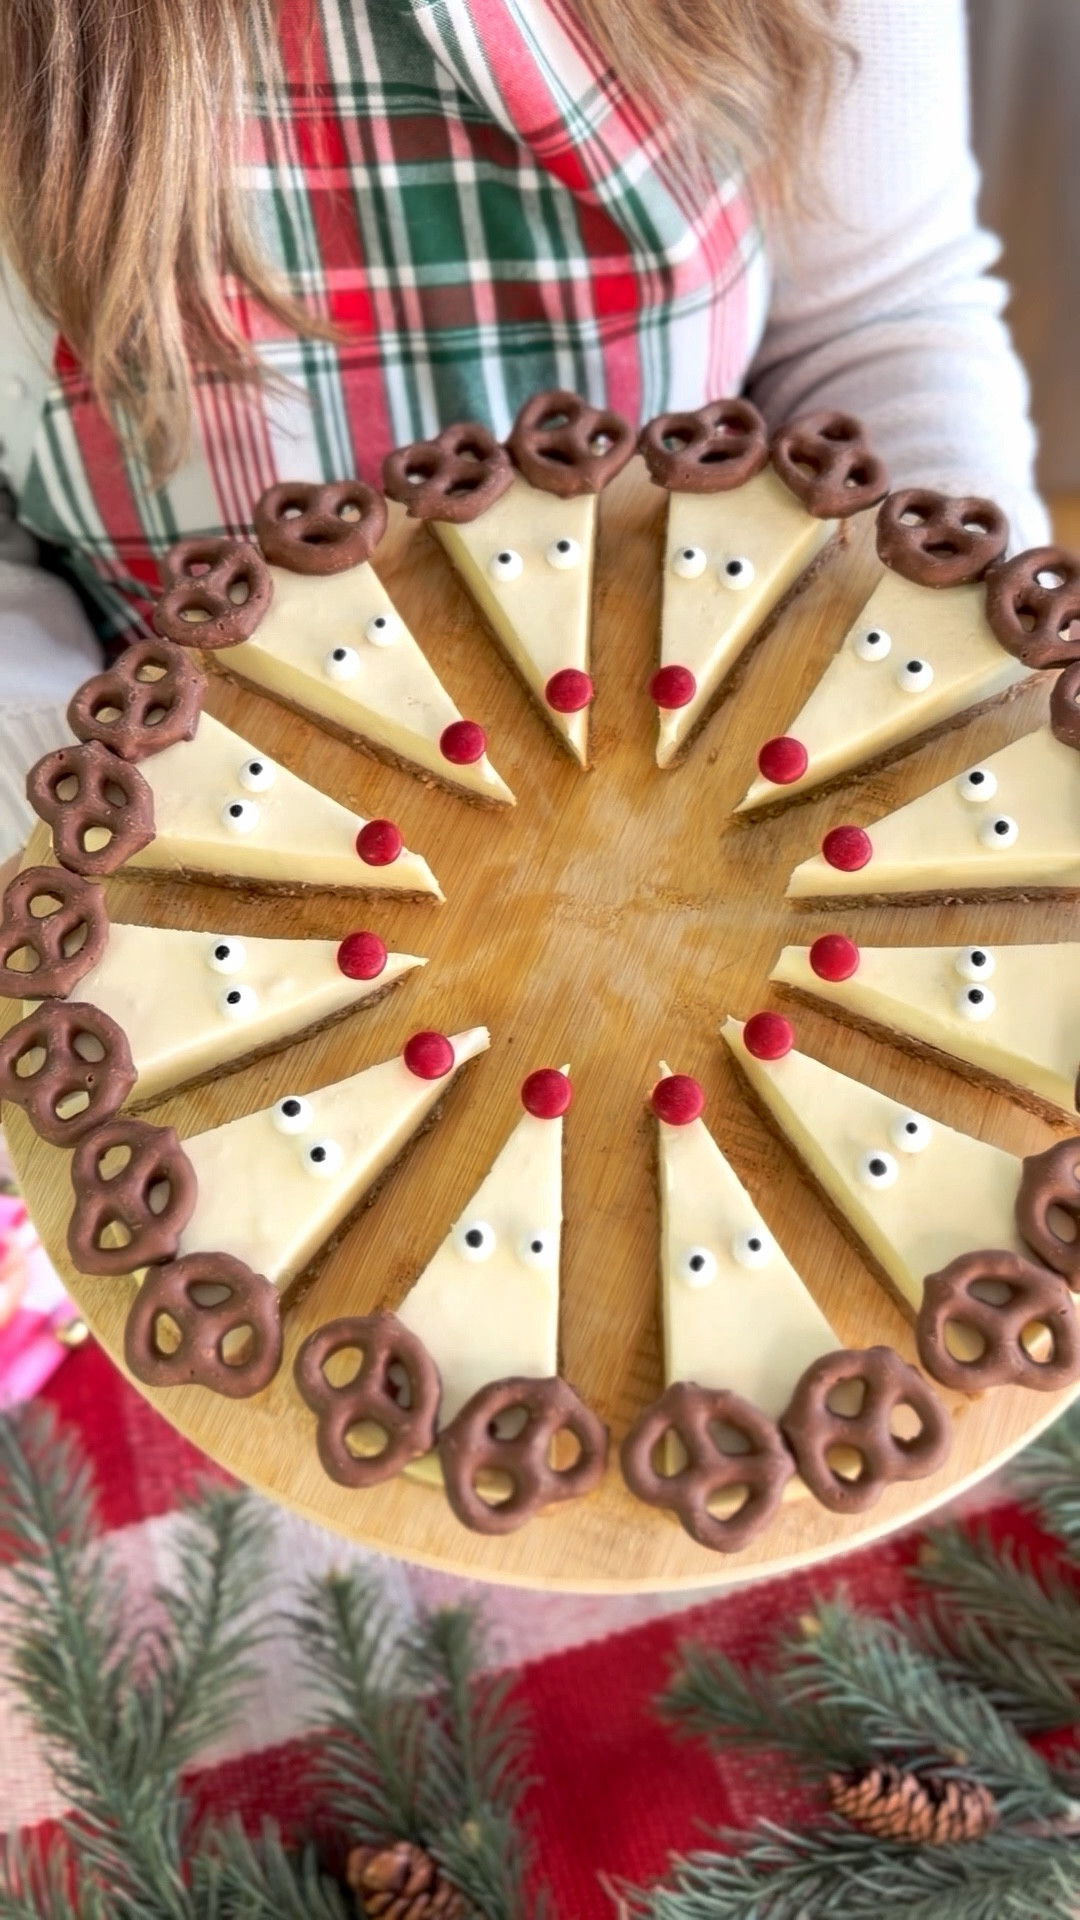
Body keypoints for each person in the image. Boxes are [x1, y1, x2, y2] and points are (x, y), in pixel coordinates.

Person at [0, 0, 1051, 865]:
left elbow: (874, 318)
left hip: (730, 784)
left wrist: (969, 721)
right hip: (183, 844)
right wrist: (94, 856)